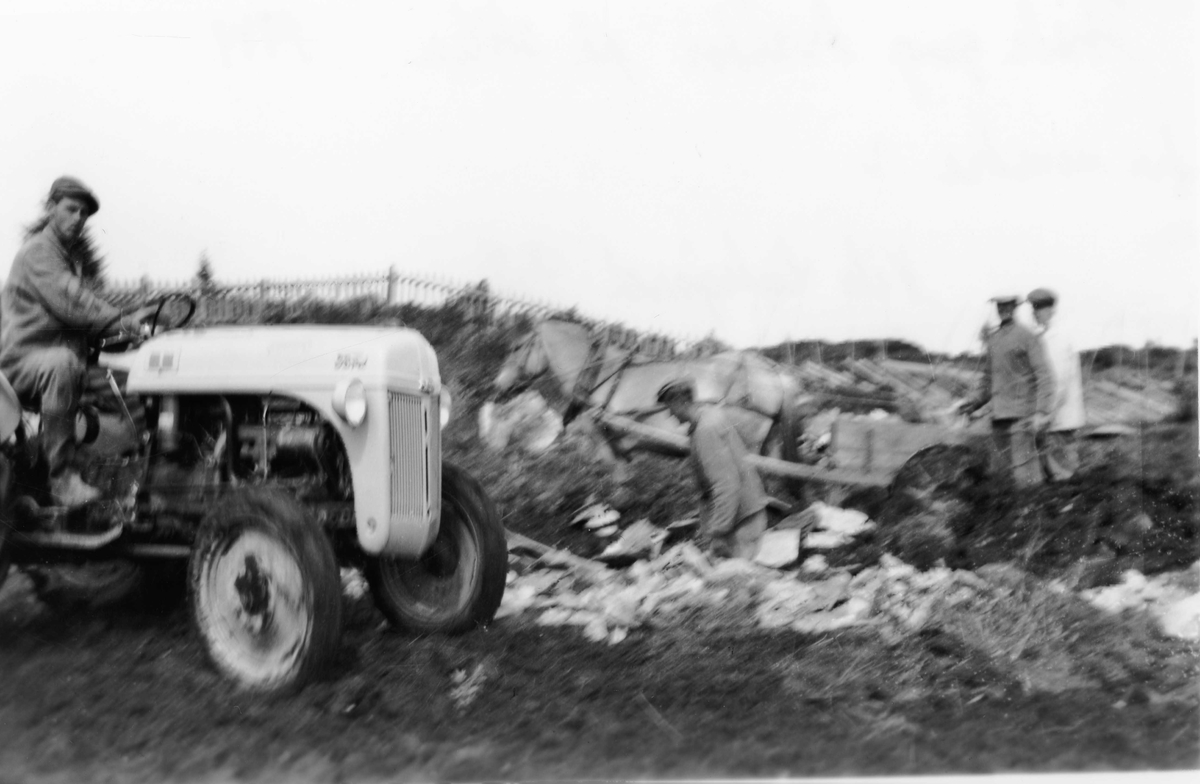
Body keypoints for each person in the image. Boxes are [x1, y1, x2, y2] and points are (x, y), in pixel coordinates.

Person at [0, 176, 140, 507]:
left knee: (131, 382)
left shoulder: (63, 257)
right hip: (22, 361)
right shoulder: (39, 253)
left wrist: (135, 327)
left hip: (52, 357)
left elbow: (81, 320)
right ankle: (60, 479)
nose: (78, 219)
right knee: (63, 365)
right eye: (71, 209)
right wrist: (121, 320)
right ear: (51, 209)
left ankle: (139, 472)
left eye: (84, 214)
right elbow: (73, 302)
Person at [657, 377, 768, 559]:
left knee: (737, 582)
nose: (669, 414)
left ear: (679, 402)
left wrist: (719, 532)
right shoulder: (709, 415)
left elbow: (726, 485)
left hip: (741, 522)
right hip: (743, 515)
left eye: (669, 407)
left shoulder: (705, 430)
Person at [960, 295, 1054, 488]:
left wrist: (1041, 411)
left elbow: (1044, 376)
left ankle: (1032, 509)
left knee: (1024, 472)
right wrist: (972, 404)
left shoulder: (1027, 336)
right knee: (1000, 471)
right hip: (999, 416)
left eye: (1007, 305)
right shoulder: (994, 339)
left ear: (1014, 307)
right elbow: (988, 379)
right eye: (1000, 305)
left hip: (1022, 415)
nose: (1003, 309)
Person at [1028, 287, 1085, 481]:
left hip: (1059, 416)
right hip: (1049, 416)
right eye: (1034, 309)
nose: (1036, 313)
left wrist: (1046, 414)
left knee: (1064, 474)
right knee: (1051, 472)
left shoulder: (1059, 338)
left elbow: (1059, 380)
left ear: (1052, 310)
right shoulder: (1040, 337)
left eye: (1041, 308)